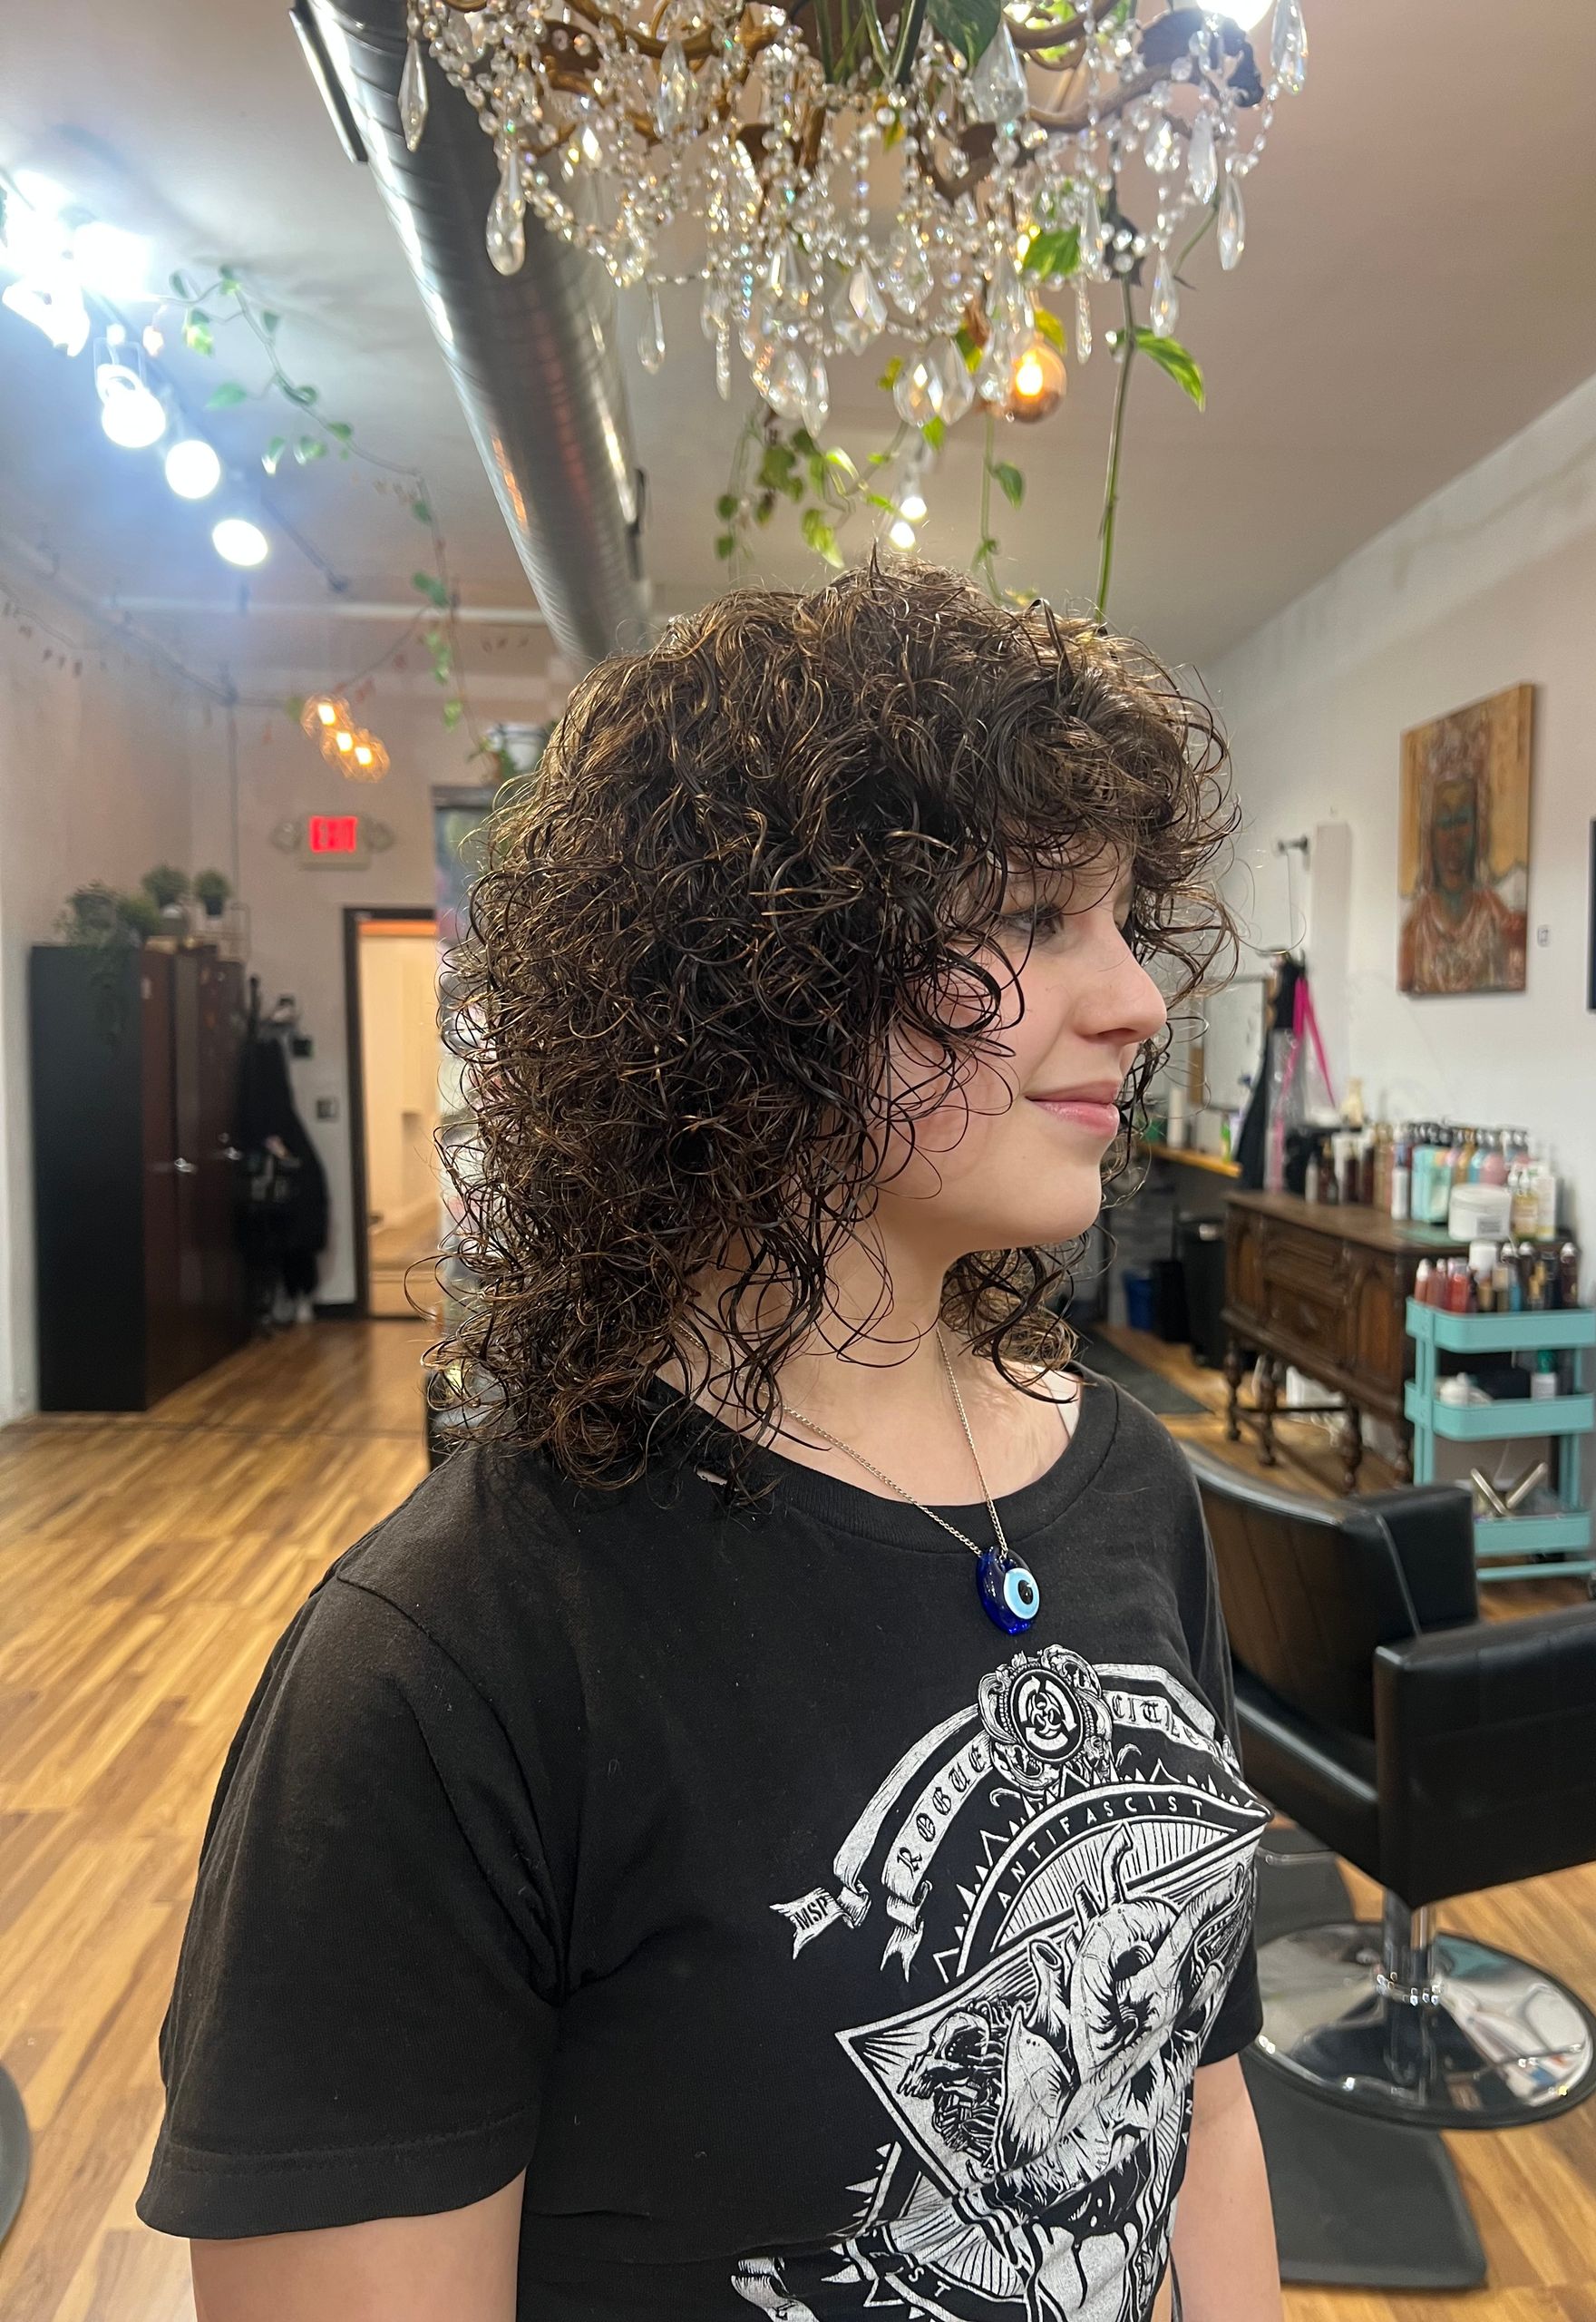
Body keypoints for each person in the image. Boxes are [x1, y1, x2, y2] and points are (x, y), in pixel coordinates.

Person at [138, 562, 1282, 2322]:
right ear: (769, 969)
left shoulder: (1126, 1484)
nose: (1134, 996)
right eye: (1044, 916)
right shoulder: (452, 1664)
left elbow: (1187, 2091)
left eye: (1126, 918)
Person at [1397, 709, 1526, 994]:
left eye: (1463, 820)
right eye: (1444, 822)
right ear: (1429, 834)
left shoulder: (1500, 920)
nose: (1454, 836)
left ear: (1479, 828)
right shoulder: (1414, 929)